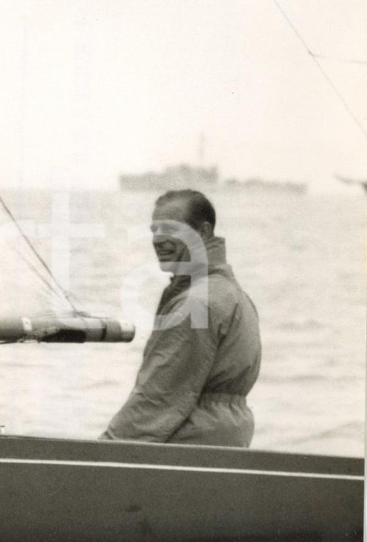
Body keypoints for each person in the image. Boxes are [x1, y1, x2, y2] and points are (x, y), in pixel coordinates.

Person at [101, 189, 260, 447]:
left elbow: (157, 399)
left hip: (189, 443)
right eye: (154, 230)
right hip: (225, 441)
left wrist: (102, 452)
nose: (158, 239)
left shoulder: (197, 303)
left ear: (204, 232)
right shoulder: (234, 294)